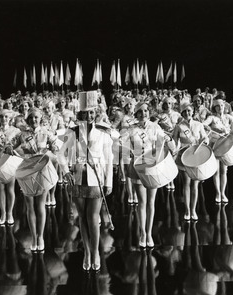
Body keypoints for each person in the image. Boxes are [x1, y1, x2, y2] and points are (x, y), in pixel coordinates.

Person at [58, 91, 113, 271]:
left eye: (91, 113)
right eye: (85, 113)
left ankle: (96, 252)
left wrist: (108, 181)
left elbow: (109, 158)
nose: (89, 116)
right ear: (79, 114)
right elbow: (60, 154)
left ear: (95, 114)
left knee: (93, 217)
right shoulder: (72, 132)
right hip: (77, 177)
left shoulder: (103, 132)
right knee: (82, 217)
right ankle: (87, 253)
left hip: (96, 177)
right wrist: (66, 172)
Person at [121, 101, 177, 248]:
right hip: (138, 167)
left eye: (146, 111)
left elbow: (169, 145)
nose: (144, 113)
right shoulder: (131, 129)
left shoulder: (155, 127)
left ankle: (149, 232)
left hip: (153, 166)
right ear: (136, 113)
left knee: (151, 202)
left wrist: (168, 139)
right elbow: (120, 144)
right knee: (142, 202)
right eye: (141, 111)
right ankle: (142, 233)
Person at [5, 108, 58, 252]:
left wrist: (53, 150)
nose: (34, 120)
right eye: (31, 118)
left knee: (40, 205)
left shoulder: (46, 133)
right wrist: (9, 148)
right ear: (28, 120)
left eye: (36, 117)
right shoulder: (22, 134)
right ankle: (33, 237)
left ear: (40, 118)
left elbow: (56, 147)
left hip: (42, 169)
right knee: (29, 205)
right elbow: (10, 145)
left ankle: (40, 237)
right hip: (27, 170)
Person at [173, 103, 209, 220]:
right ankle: (187, 210)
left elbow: (205, 137)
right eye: (185, 112)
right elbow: (174, 142)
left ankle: (193, 210)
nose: (187, 113)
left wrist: (205, 140)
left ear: (192, 112)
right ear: (182, 113)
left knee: (195, 185)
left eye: (189, 111)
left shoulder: (199, 125)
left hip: (196, 156)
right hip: (183, 157)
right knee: (186, 184)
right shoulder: (178, 126)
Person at [203, 99, 233, 202]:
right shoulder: (212, 117)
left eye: (222, 106)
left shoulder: (228, 117)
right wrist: (212, 129)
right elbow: (203, 124)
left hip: (225, 145)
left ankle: (223, 193)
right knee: (216, 171)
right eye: (218, 106)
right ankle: (218, 193)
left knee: (224, 170)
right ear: (214, 108)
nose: (220, 108)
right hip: (215, 145)